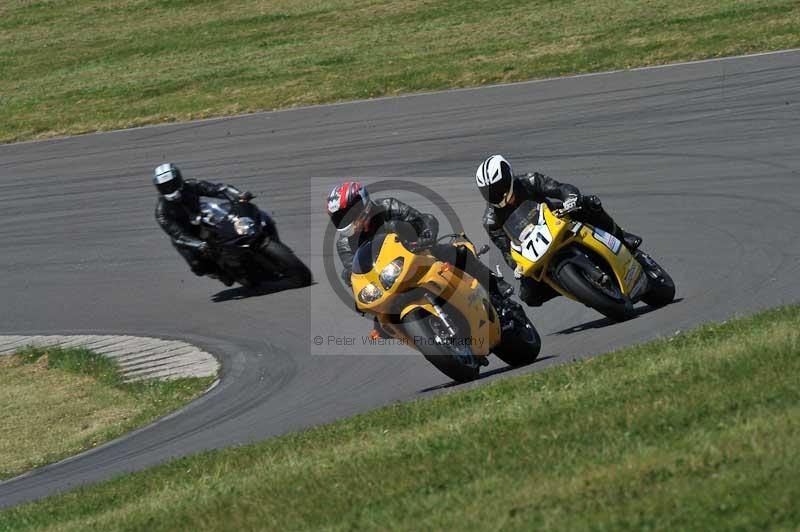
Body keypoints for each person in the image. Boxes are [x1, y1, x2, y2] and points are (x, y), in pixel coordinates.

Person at [476, 154, 642, 307]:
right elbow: (506, 250)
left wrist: (570, 198)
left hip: (559, 220)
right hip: (533, 250)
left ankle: (620, 236)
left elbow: (560, 188)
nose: (497, 194)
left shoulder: (529, 180)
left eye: (498, 187)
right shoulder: (491, 221)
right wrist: (516, 266)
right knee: (528, 296)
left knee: (589, 203)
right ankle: (571, 285)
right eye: (489, 191)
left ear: (508, 177)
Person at [326, 180, 516, 309]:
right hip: (389, 282)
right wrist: (353, 280)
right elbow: (356, 274)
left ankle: (495, 284)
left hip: (419, 256)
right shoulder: (344, 245)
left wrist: (426, 234)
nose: (348, 220)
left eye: (350, 214)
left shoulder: (388, 207)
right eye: (341, 218)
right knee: (382, 324)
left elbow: (423, 219)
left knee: (457, 253)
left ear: (362, 204)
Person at [153, 163, 253, 286]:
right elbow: (177, 234)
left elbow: (218, 189)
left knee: (237, 217)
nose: (169, 189)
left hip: (203, 217)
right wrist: (197, 244)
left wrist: (238, 195)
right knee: (198, 266)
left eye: (171, 184)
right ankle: (217, 272)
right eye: (164, 187)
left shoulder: (191, 185)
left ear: (179, 179)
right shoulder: (161, 212)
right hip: (187, 235)